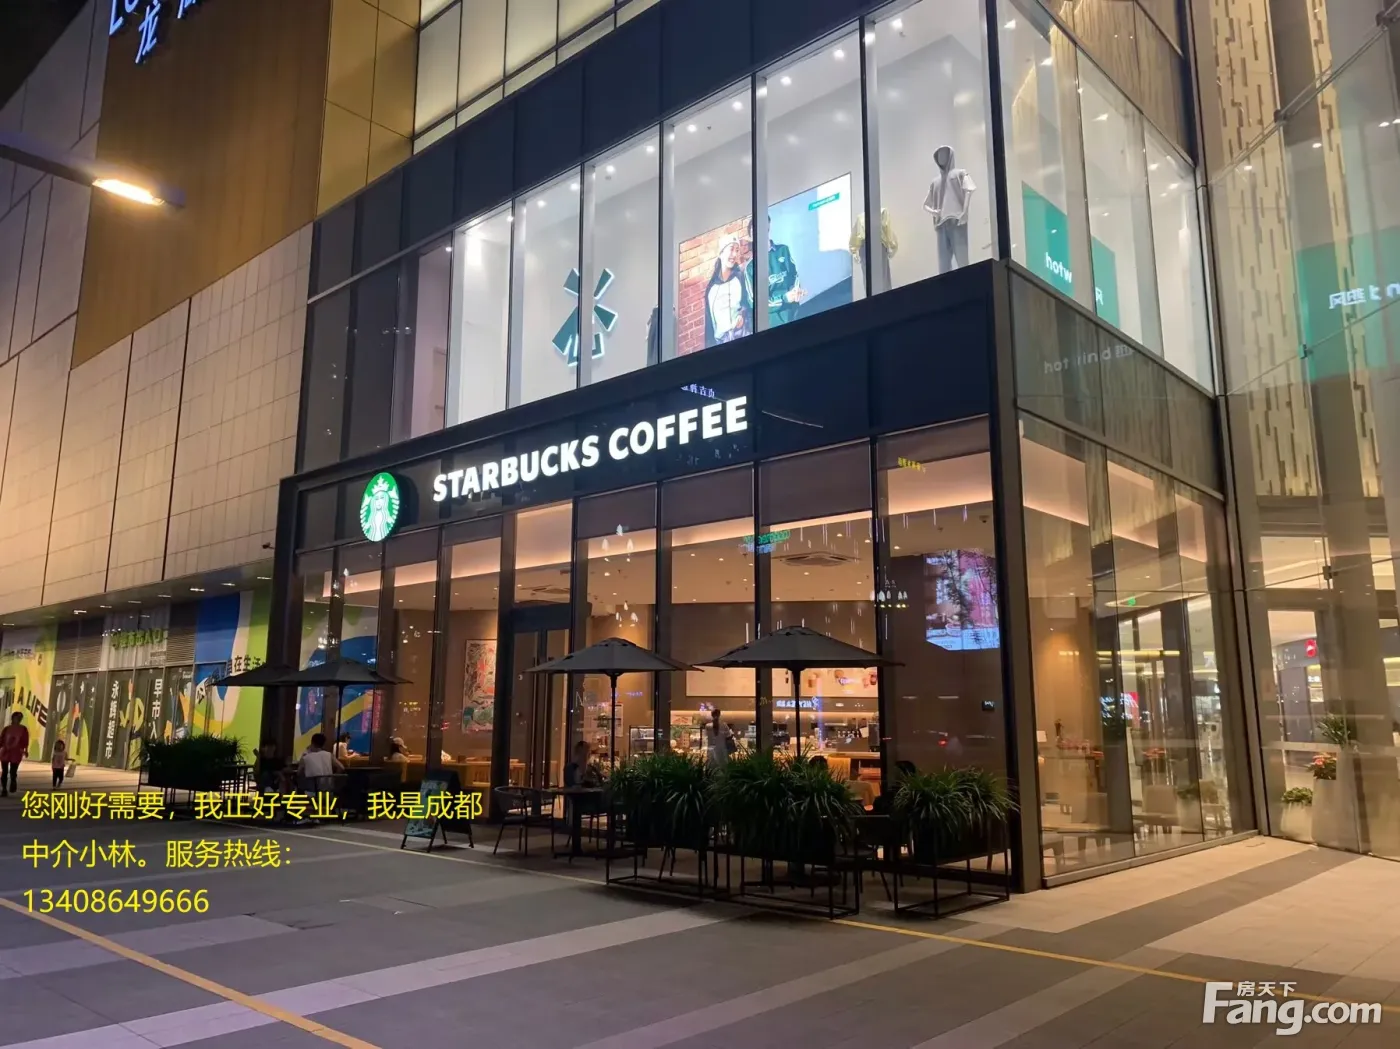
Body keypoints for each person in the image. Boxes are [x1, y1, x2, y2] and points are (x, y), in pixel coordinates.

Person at [702, 234, 753, 347]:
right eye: (731, 249)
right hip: (721, 342)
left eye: (737, 250)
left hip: (742, 335)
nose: (734, 254)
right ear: (721, 253)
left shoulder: (740, 277)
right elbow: (709, 323)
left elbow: (748, 303)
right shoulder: (711, 288)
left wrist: (742, 314)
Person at [0, 712, 29, 796]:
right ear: (12, 718)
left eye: (20, 718)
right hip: (5, 751)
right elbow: (1, 739)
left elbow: (25, 740)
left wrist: (25, 750)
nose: (18, 719)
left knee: (13, 771)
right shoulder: (7, 728)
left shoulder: (23, 729)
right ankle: (4, 789)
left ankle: (13, 782)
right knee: (4, 771)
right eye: (16, 718)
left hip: (16, 753)